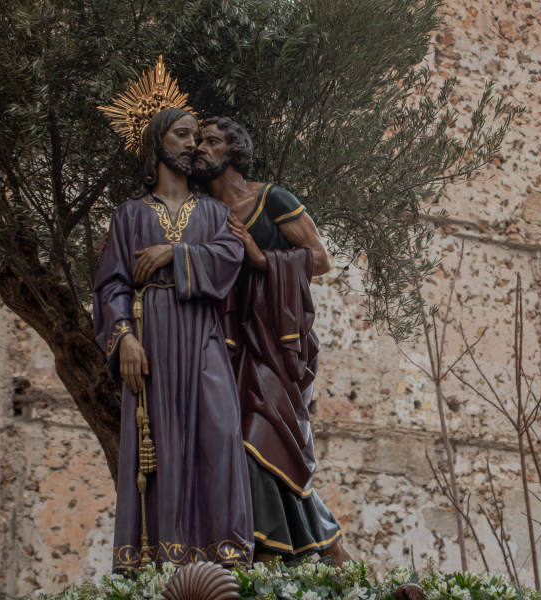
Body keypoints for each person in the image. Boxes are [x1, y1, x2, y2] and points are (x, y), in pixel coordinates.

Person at [94, 108, 253, 573]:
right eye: (182, 135)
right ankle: (163, 563)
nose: (192, 144)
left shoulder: (216, 213)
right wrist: (124, 338)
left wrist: (174, 252)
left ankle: (226, 561)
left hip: (202, 333)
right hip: (151, 338)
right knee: (159, 444)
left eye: (196, 136)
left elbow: (230, 257)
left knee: (220, 432)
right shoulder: (128, 215)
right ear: (157, 143)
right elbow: (111, 285)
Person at [192, 117, 353, 567]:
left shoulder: (271, 198)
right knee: (241, 446)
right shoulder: (199, 211)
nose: (201, 148)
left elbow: (320, 259)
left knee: (260, 436)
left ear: (234, 150)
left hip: (275, 341)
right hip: (225, 342)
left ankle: (269, 559)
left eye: (212, 141)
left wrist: (261, 258)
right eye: (197, 141)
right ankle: (310, 556)